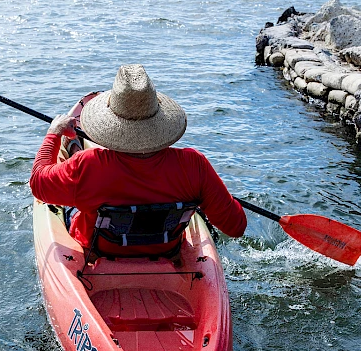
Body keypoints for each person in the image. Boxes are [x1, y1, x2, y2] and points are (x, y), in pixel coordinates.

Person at [30, 64, 246, 257]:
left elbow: (38, 185)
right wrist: (213, 195)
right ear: (159, 121)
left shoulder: (89, 164)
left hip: (97, 250)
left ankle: (73, 148)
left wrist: (54, 133)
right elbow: (236, 227)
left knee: (70, 202)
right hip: (166, 249)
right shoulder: (194, 165)